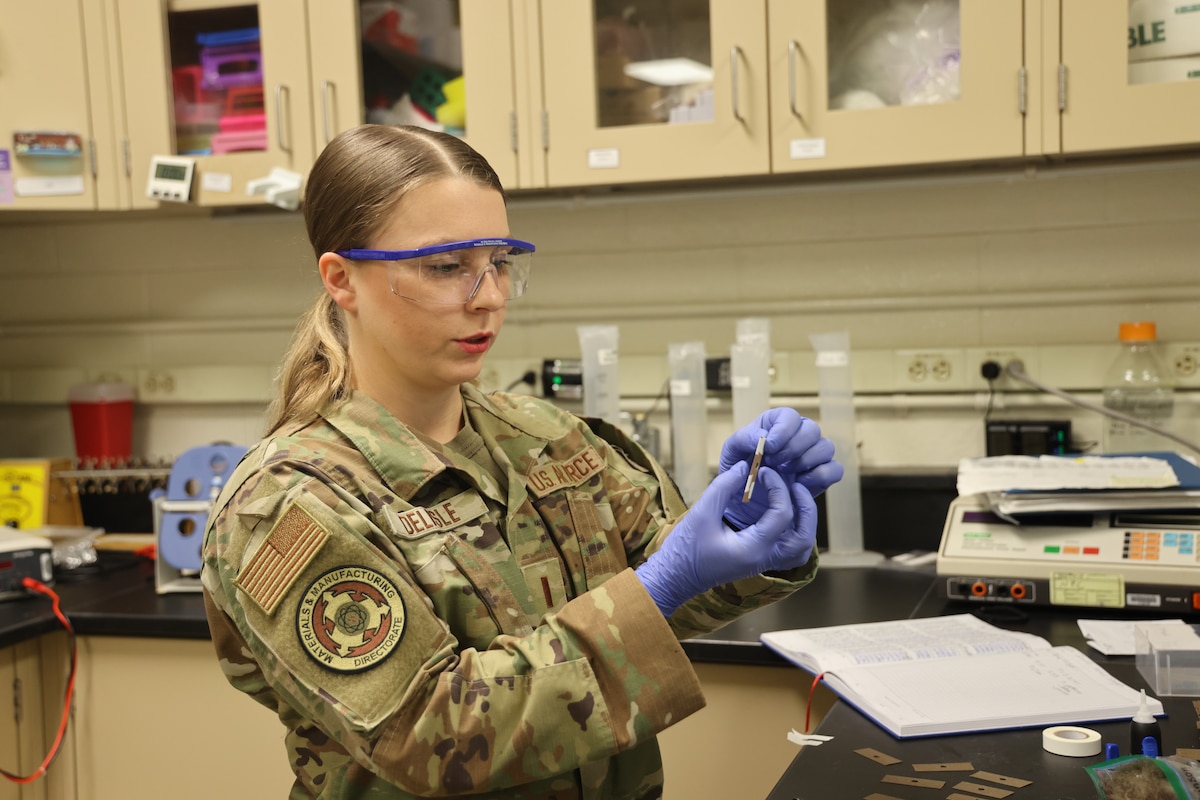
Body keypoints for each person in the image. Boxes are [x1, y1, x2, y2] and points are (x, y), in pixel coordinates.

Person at [201, 123, 844, 800]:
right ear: (342, 280)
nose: (488, 296)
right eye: (446, 267)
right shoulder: (290, 504)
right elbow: (434, 735)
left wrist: (751, 526)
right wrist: (660, 585)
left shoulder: (548, 438)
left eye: (499, 262)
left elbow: (672, 586)